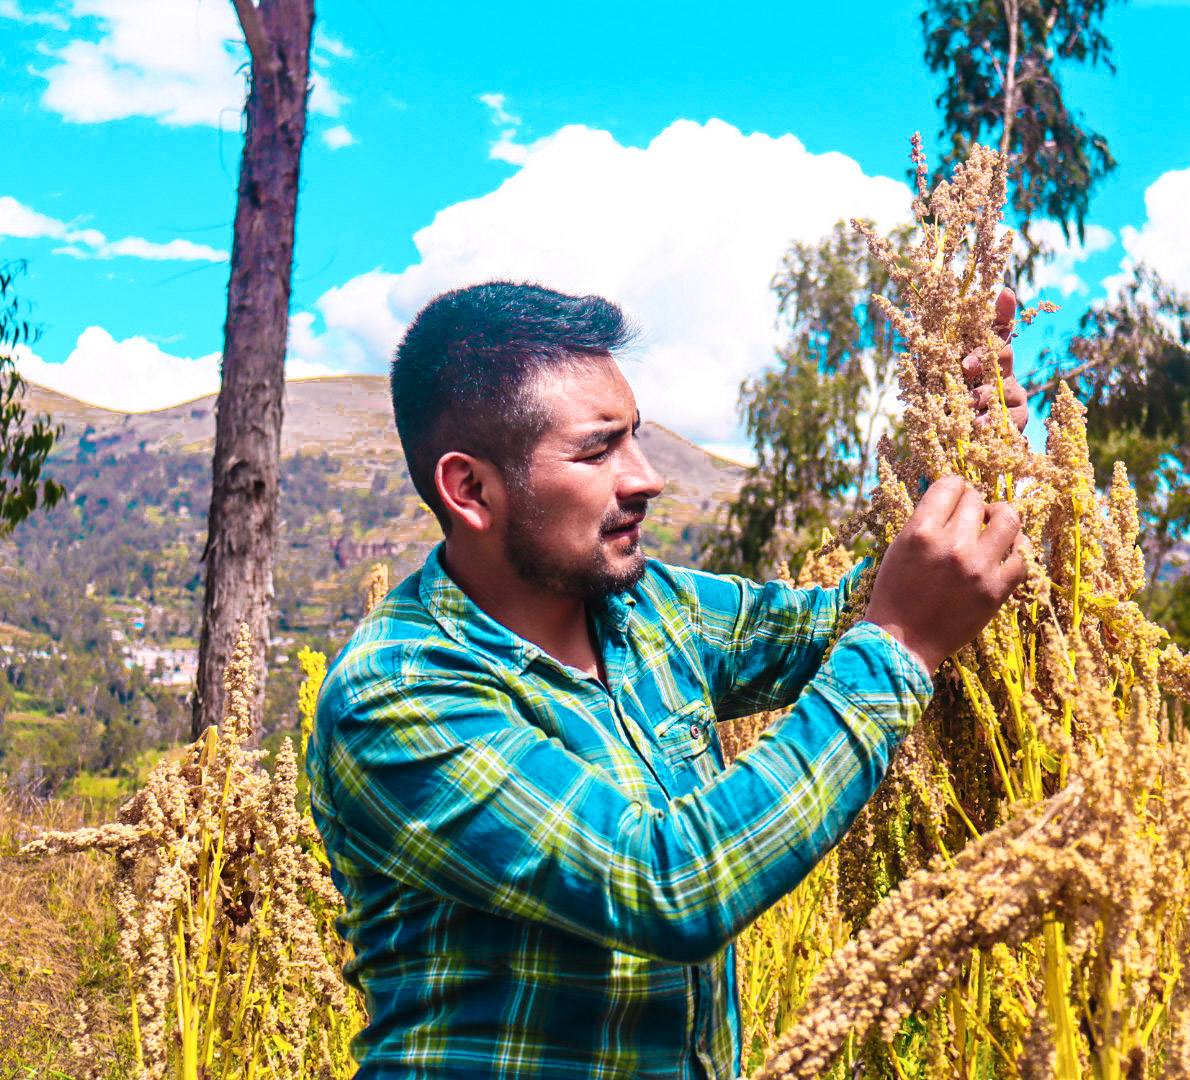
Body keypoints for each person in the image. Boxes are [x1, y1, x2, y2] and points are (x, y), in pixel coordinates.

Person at [307, 280, 1033, 1079]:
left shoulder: (648, 605)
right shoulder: (396, 694)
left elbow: (836, 624)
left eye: (637, 439)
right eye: (598, 450)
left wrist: (957, 468)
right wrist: (899, 644)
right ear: (470, 489)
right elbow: (666, 884)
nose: (646, 478)